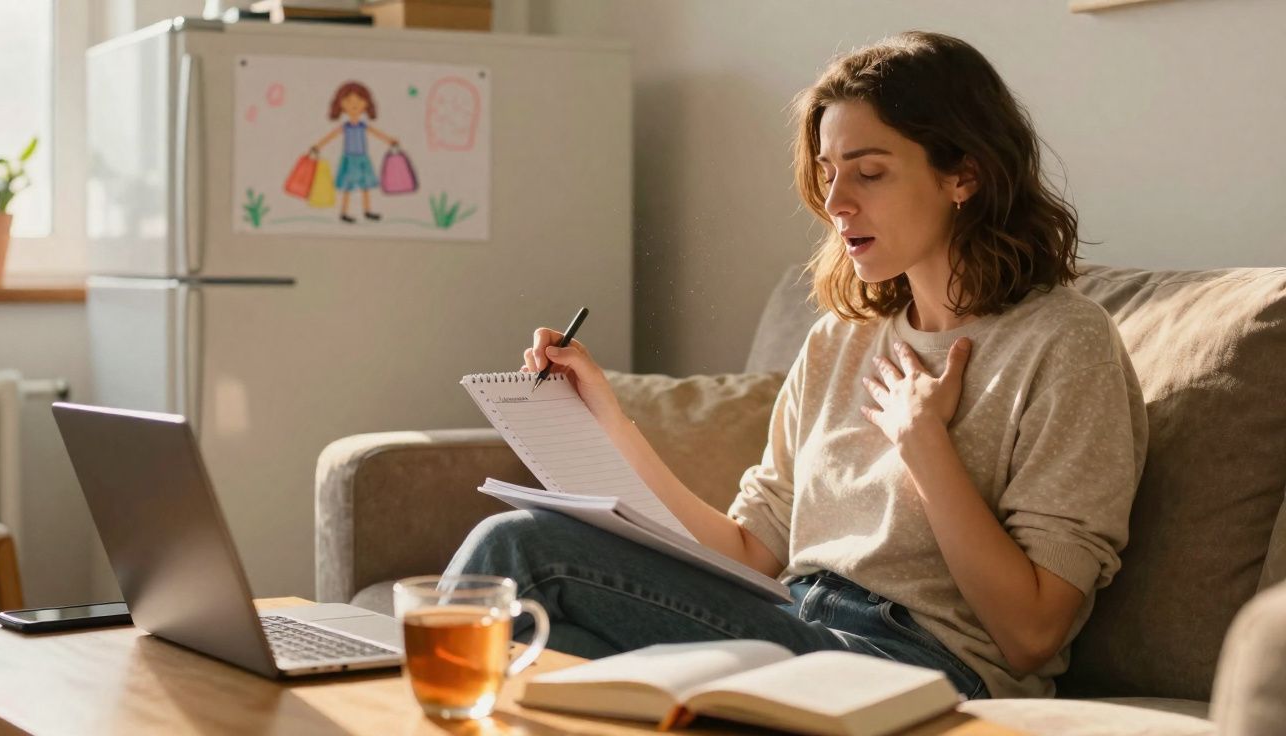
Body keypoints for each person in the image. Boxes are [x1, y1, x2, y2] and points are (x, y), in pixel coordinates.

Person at [444, 30, 1147, 700]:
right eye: (828, 173)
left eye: (870, 172)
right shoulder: (840, 341)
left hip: (922, 669)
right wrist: (609, 420)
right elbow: (749, 551)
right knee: (539, 651)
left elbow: (1030, 634)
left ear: (964, 174)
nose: (837, 204)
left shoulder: (1064, 343)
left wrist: (924, 446)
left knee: (520, 549)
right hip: (796, 626)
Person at [312, 81, 398, 223]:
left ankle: (367, 211)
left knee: (365, 187)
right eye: (348, 101)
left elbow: (376, 133)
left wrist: (389, 140)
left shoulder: (363, 125)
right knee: (348, 187)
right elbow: (331, 136)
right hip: (349, 159)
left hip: (363, 159)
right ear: (341, 104)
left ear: (366, 103)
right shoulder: (345, 126)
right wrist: (318, 146)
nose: (354, 104)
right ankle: (344, 212)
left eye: (359, 100)